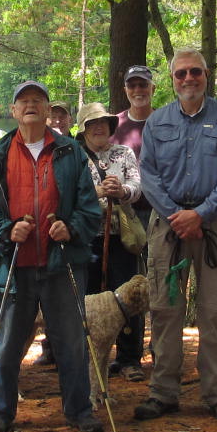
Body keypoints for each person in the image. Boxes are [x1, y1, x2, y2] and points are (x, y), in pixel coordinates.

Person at [0, 80, 105, 432]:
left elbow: (89, 206)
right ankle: (0, 412)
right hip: (14, 265)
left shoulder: (70, 152)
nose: (30, 105)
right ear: (13, 111)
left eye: (38, 100)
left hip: (62, 262)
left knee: (71, 341)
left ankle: (79, 410)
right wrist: (5, 231)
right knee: (7, 343)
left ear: (48, 110)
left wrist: (70, 228)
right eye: (23, 101)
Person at [133, 49, 217, 423]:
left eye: (195, 72)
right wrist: (177, 215)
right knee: (165, 309)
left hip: (216, 223)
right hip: (167, 224)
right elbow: (149, 174)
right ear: (172, 79)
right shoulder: (157, 122)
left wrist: (201, 214)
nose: (188, 79)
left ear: (206, 74)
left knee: (215, 310)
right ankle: (163, 392)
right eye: (181, 73)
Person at [77, 102, 144, 375]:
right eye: (92, 124)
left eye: (103, 122)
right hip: (86, 237)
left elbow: (137, 186)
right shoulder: (74, 156)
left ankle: (129, 359)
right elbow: (68, 193)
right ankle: (87, 359)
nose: (98, 127)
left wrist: (122, 191)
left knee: (128, 297)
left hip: (120, 237)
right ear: (83, 130)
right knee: (89, 297)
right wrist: (98, 191)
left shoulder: (124, 153)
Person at [113, 65, 155, 157]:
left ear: (153, 88)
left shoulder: (167, 121)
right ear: (125, 91)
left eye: (143, 85)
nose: (137, 89)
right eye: (131, 86)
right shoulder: (113, 125)